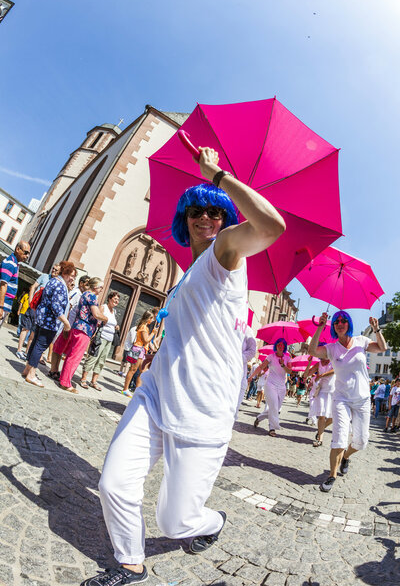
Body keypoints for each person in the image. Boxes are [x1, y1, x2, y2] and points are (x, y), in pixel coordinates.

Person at [81, 146, 285, 586]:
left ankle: (211, 522)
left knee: (176, 524)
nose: (206, 216)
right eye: (197, 209)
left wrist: (218, 176)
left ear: (226, 218)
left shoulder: (225, 253)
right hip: (155, 394)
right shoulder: (189, 270)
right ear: (184, 216)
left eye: (215, 211)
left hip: (203, 410)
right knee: (114, 484)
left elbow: (272, 226)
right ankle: (130, 563)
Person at [309, 311, 387, 493]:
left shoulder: (361, 341)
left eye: (344, 320)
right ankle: (332, 475)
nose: (340, 323)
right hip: (341, 398)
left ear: (349, 324)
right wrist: (320, 327)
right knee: (340, 437)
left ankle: (345, 457)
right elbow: (312, 351)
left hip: (362, 400)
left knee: (361, 441)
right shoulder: (331, 348)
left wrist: (376, 330)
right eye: (336, 321)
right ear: (334, 326)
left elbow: (382, 348)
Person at [21, 261, 76, 388]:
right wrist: (67, 323)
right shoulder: (60, 285)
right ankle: (32, 374)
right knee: (40, 346)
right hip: (49, 322)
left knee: (35, 343)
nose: (72, 278)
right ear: (65, 273)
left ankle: (27, 370)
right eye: (71, 274)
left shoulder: (53, 281)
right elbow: (56, 307)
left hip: (42, 318)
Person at [58, 277, 108, 393]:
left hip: (78, 327)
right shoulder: (92, 296)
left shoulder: (85, 294)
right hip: (84, 329)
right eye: (101, 287)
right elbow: (96, 314)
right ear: (95, 287)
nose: (101, 289)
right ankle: (66, 383)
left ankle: (64, 379)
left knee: (71, 355)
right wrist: (105, 318)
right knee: (75, 357)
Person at [250, 338, 292, 437]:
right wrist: (252, 376)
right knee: (273, 406)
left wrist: (283, 365)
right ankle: (272, 428)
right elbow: (261, 367)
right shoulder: (270, 357)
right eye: (278, 345)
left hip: (281, 386)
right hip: (270, 384)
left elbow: (290, 371)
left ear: (285, 347)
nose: (280, 346)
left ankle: (259, 418)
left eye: (282, 345)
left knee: (276, 408)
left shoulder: (287, 358)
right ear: (276, 346)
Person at [80, 291, 120, 391]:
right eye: (115, 299)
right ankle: (83, 379)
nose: (117, 301)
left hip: (109, 339)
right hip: (100, 337)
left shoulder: (114, 311)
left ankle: (93, 381)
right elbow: (97, 319)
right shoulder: (103, 307)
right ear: (109, 299)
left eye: (118, 300)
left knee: (101, 361)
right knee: (93, 357)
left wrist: (116, 326)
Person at [121, 310, 157, 398]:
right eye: (151, 318)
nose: (152, 320)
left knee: (142, 371)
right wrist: (153, 333)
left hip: (141, 350)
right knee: (133, 370)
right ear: (148, 318)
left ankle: (138, 390)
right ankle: (125, 389)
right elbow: (146, 340)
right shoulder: (144, 327)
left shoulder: (144, 327)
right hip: (138, 350)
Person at [304, 352, 335, 446]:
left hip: (333, 391)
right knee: (322, 415)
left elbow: (335, 371)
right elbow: (306, 375)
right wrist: (309, 363)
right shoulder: (318, 364)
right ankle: (320, 439)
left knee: (333, 417)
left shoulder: (334, 362)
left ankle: (321, 429)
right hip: (322, 391)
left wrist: (322, 375)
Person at [0, 241, 30, 328]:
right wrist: (1, 307)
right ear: (17, 249)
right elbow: (3, 285)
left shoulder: (15, 264)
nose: (27, 256)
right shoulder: (10, 264)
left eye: (28, 254)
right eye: (25, 253)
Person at [16, 290, 33, 359]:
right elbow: (21, 303)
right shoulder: (26, 296)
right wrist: (19, 310)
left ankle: (27, 352)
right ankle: (18, 334)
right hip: (25, 311)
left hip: (36, 312)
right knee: (22, 325)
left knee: (32, 331)